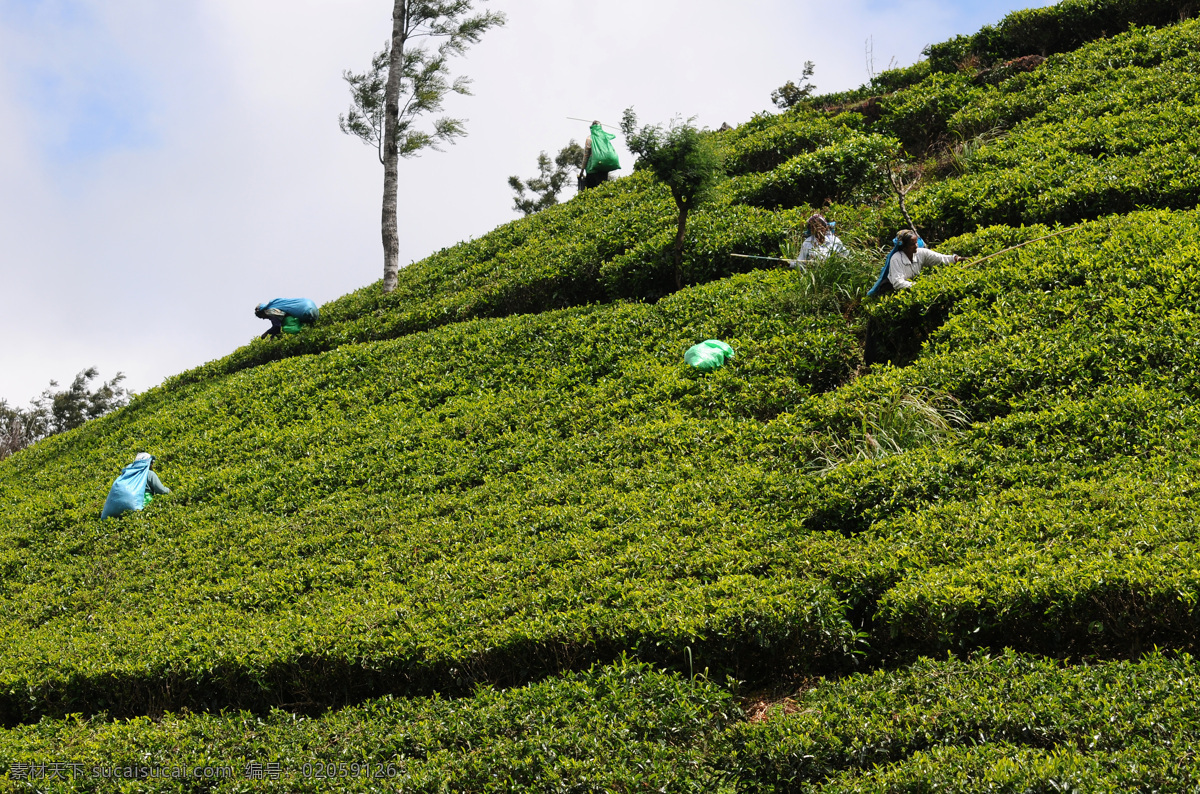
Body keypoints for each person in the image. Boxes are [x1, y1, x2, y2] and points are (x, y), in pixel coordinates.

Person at [886, 228, 964, 290]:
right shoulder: (896, 259)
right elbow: (897, 283)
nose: (916, 246)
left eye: (916, 243)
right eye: (912, 244)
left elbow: (940, 258)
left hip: (913, 288)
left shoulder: (920, 253)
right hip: (894, 290)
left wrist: (957, 259)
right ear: (904, 246)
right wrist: (919, 285)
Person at [100, 452, 170, 519]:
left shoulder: (127, 472)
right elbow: (161, 490)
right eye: (152, 463)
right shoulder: (150, 474)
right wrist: (169, 491)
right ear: (148, 463)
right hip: (141, 503)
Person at [255, 298, 320, 339]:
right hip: (293, 319)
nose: (263, 318)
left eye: (261, 316)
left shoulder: (270, 312)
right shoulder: (273, 310)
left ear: (262, 312)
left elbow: (277, 326)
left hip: (290, 321)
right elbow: (277, 327)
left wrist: (266, 333)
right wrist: (272, 337)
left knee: (288, 330)